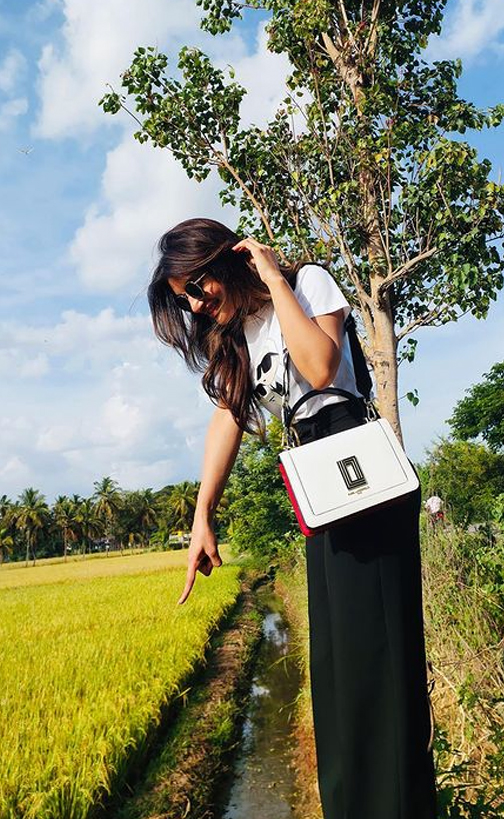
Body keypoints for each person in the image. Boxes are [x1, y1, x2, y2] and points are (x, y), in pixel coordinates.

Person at [147, 217, 438, 819]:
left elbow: (322, 367)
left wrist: (275, 278)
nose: (198, 308)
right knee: (335, 671)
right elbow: (228, 417)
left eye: (199, 289)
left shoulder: (308, 285)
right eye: (186, 302)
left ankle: (401, 805)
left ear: (229, 261)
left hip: (363, 481)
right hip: (319, 489)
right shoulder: (236, 337)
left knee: (378, 661)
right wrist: (204, 514)